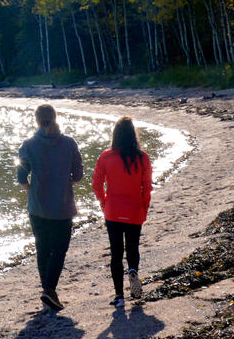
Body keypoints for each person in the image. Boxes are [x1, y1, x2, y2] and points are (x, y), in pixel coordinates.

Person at [17, 103, 84, 311]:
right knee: (59, 249)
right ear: (56, 117)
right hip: (62, 206)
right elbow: (78, 175)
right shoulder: (69, 143)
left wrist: (31, 190)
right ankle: (49, 290)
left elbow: (21, 177)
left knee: (42, 248)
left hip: (37, 206)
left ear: (36, 120)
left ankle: (48, 290)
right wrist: (65, 182)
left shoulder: (28, 145)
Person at [91, 115, 153, 307]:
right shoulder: (142, 157)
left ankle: (119, 296)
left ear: (115, 135)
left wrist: (103, 202)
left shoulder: (106, 156)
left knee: (116, 253)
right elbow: (147, 186)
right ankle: (133, 270)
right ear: (133, 135)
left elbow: (96, 184)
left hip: (113, 211)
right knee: (132, 248)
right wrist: (144, 207)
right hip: (134, 210)